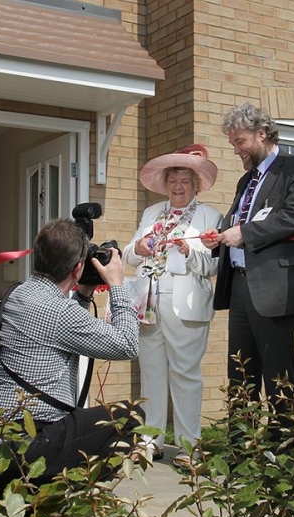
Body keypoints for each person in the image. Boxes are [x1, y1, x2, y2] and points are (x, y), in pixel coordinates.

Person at [0, 218, 142, 493]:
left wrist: (83, 293)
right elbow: (128, 344)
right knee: (130, 416)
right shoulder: (60, 313)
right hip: (25, 448)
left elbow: (54, 329)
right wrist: (117, 285)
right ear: (77, 268)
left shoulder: (8, 296)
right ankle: (62, 498)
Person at [202, 102, 294, 434]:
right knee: (240, 373)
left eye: (240, 142)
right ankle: (241, 454)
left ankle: (283, 459)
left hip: (277, 286)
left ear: (262, 133)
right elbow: (238, 222)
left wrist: (245, 232)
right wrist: (220, 236)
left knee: (278, 375)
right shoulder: (246, 182)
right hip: (240, 286)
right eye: (233, 144)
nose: (237, 150)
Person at [122, 144, 222, 463]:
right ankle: (151, 441)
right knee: (150, 374)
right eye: (173, 180)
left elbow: (216, 265)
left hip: (187, 307)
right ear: (166, 183)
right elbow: (128, 256)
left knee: (185, 375)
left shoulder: (210, 216)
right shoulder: (152, 213)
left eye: (184, 180)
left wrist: (190, 253)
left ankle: (189, 446)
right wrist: (138, 247)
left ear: (196, 185)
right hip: (149, 303)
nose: (178, 186)